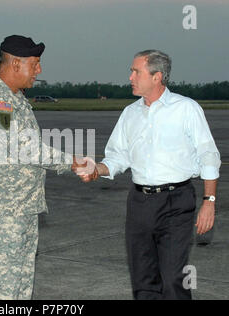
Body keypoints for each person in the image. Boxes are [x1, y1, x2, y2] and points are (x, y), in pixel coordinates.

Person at [77, 50, 220, 300]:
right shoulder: (130, 113)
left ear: (157, 77)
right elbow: (118, 156)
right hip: (140, 203)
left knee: (173, 278)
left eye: (136, 71)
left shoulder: (186, 109)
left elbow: (208, 154)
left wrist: (209, 202)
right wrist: (97, 169)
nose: (130, 76)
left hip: (176, 201)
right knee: (143, 280)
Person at [0, 35, 92, 300]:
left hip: (20, 212)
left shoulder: (16, 101)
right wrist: (73, 162)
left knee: (20, 292)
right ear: (14, 64)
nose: (39, 70)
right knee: (1, 293)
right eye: (34, 64)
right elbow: (24, 148)